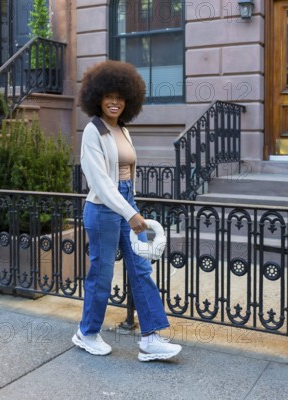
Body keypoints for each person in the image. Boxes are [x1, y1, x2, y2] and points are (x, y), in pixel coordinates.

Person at [72, 60, 181, 361]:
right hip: (103, 209)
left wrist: (133, 206)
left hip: (125, 202)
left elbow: (126, 177)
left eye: (121, 97)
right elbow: (101, 183)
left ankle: (150, 338)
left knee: (141, 268)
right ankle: (87, 332)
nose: (115, 102)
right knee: (102, 273)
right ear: (97, 97)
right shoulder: (93, 131)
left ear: (128, 100)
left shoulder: (123, 130)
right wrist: (129, 213)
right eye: (109, 96)